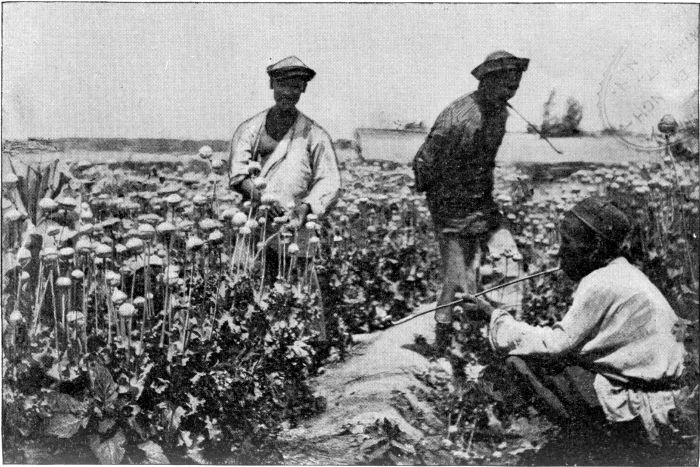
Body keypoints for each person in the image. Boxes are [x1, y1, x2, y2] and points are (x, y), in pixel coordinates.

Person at [463, 197, 686, 454]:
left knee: (523, 363)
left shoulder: (601, 282)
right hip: (664, 399)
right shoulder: (625, 273)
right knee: (556, 362)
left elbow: (554, 344)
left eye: (568, 244)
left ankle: (592, 443)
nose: (560, 253)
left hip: (643, 406)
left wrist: (494, 317)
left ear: (596, 248)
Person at [412, 50, 530, 352]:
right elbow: (424, 162)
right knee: (458, 278)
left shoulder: (501, 113)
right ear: (487, 83)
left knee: (507, 259)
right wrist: (441, 198)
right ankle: (444, 343)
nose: (509, 93)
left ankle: (504, 332)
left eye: (514, 88)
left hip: (482, 201)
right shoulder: (458, 118)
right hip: (450, 206)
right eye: (505, 87)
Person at [228, 56, 341, 340]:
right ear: (271, 85)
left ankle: (304, 348)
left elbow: (329, 179)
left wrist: (306, 208)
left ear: (303, 89)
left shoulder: (314, 134)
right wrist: (263, 200)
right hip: (255, 222)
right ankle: (259, 345)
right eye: (283, 85)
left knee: (298, 284)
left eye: (296, 86)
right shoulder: (251, 129)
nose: (289, 93)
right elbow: (238, 175)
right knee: (254, 283)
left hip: (295, 224)